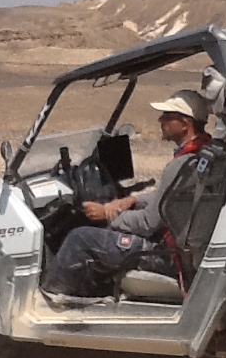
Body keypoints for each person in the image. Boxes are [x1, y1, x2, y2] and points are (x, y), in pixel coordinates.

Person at [43, 89, 212, 297]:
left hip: (164, 255)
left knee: (80, 238)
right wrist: (132, 200)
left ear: (185, 124)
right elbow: (173, 197)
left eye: (168, 116)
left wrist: (107, 214)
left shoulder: (183, 165)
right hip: (183, 246)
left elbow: (148, 222)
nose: (161, 120)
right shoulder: (202, 155)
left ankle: (49, 300)